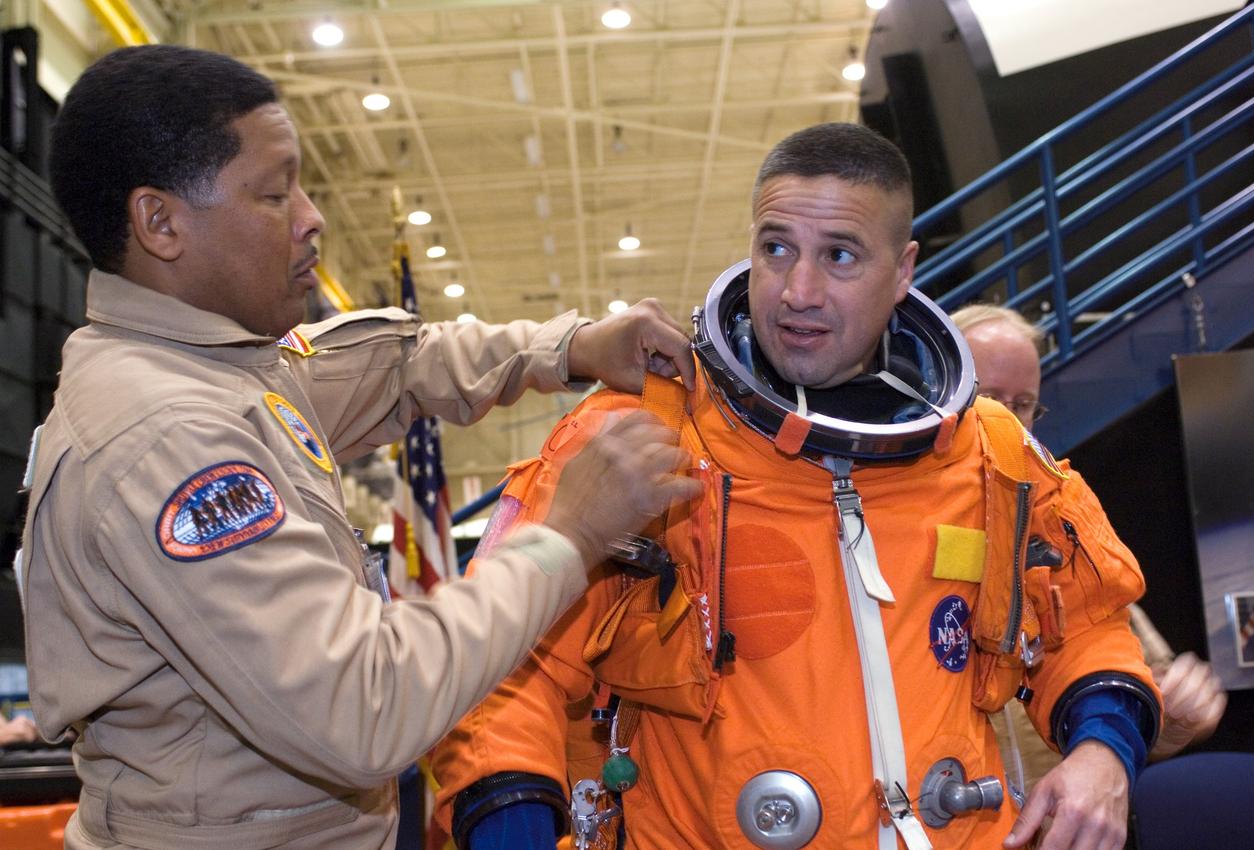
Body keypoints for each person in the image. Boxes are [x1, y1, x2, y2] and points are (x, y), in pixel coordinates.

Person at [17, 45, 703, 850]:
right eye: (274, 194)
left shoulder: (221, 365)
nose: (312, 217)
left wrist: (573, 346)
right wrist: (569, 536)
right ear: (160, 223)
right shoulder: (167, 439)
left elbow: (399, 363)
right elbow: (364, 706)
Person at [432, 123, 1162, 850]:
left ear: (903, 270)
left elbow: (1088, 624)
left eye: (839, 255)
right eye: (775, 248)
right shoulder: (646, 437)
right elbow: (500, 667)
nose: (797, 291)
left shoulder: (992, 453)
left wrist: (1105, 753)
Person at [952, 304, 1227, 784]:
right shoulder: (893, 529)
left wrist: (1176, 720)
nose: (1010, 423)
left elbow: (1128, 717)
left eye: (1022, 404)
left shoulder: (1060, 528)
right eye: (989, 398)